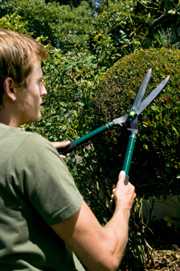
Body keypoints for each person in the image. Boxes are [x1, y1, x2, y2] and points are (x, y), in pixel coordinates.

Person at [0, 28, 136, 271]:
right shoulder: (29, 152)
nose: (44, 91)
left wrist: (34, 157)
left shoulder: (23, 154)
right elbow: (105, 258)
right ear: (11, 88)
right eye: (39, 81)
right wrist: (123, 205)